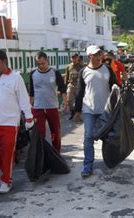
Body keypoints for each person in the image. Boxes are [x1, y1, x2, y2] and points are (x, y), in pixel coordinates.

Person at [0, 50, 33, 194]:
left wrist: (28, 117)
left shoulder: (16, 78)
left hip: (9, 123)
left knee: (8, 153)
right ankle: (6, 166)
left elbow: (23, 98)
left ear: (4, 62)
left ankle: (6, 180)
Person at [74, 45, 117, 178]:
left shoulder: (107, 69)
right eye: (96, 55)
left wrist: (117, 106)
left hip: (106, 110)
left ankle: (109, 160)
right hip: (89, 110)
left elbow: (115, 87)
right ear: (89, 56)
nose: (99, 57)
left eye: (100, 54)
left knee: (108, 137)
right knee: (88, 137)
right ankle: (87, 165)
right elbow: (79, 92)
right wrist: (77, 111)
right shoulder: (83, 72)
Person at [29, 51, 67, 153]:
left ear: (47, 61)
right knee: (40, 131)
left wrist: (65, 101)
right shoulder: (33, 73)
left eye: (43, 63)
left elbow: (62, 88)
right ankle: (41, 152)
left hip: (52, 107)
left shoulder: (55, 72)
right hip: (38, 107)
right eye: (38, 64)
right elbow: (31, 92)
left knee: (55, 131)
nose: (41, 66)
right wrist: (29, 106)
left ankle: (56, 150)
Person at [65, 54, 84, 120]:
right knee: (69, 100)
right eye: (72, 58)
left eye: (75, 58)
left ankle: (78, 114)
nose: (74, 59)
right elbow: (67, 76)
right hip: (71, 84)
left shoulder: (81, 66)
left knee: (78, 101)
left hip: (78, 85)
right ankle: (72, 112)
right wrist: (65, 85)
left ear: (77, 58)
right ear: (71, 59)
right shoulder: (69, 66)